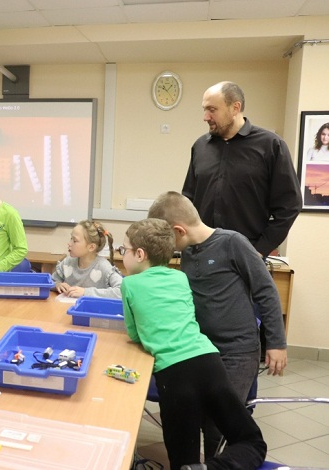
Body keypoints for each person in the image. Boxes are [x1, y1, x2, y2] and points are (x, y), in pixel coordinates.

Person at [148, 191, 287, 459]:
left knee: (218, 424)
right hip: (203, 350)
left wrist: (277, 343)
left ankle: (218, 463)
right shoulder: (188, 253)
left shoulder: (233, 243)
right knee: (195, 415)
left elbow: (266, 291)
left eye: (167, 239)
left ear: (179, 231)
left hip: (238, 352)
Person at [120, 218, 266, 470]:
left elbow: (135, 334)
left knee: (182, 459)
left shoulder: (129, 284)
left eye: (124, 250)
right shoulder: (180, 278)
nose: (122, 254)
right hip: (210, 363)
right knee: (251, 440)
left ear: (140, 254)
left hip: (174, 375)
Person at [182, 81, 302, 259]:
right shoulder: (200, 146)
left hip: (245, 257)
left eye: (212, 110)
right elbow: (188, 199)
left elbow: (290, 205)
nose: (205, 117)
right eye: (204, 110)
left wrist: (260, 250)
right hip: (200, 254)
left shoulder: (271, 146)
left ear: (235, 108)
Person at [52, 219, 122, 299]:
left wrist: (85, 292)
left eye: (74, 240)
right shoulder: (67, 262)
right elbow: (50, 281)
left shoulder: (104, 267)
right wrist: (57, 285)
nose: (69, 243)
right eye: (71, 238)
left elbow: (122, 291)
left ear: (91, 247)